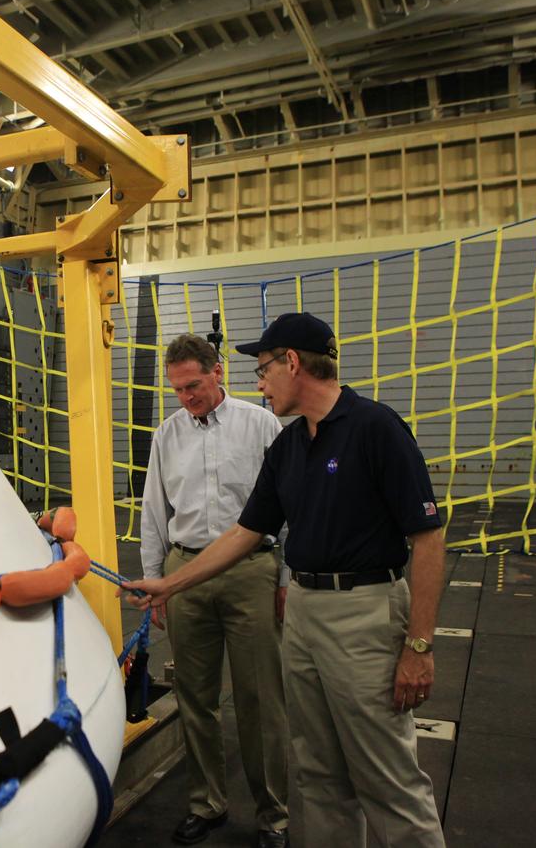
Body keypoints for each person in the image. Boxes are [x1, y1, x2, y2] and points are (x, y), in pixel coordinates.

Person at [124, 313, 446, 848]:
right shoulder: (291, 446)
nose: (260, 381)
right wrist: (167, 584)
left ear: (292, 363)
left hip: (364, 611)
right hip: (304, 613)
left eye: (265, 368)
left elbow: (428, 539)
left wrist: (419, 645)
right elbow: (248, 530)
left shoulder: (375, 428)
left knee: (387, 778)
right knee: (318, 772)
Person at [140, 334, 290, 847]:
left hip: (251, 570)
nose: (187, 397)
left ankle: (274, 814)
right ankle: (207, 804)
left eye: (194, 385)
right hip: (185, 573)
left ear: (218, 371)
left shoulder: (262, 425)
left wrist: (285, 577)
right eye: (178, 389)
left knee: (260, 700)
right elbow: (154, 512)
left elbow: (288, 507)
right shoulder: (167, 435)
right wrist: (158, 582)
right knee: (195, 698)